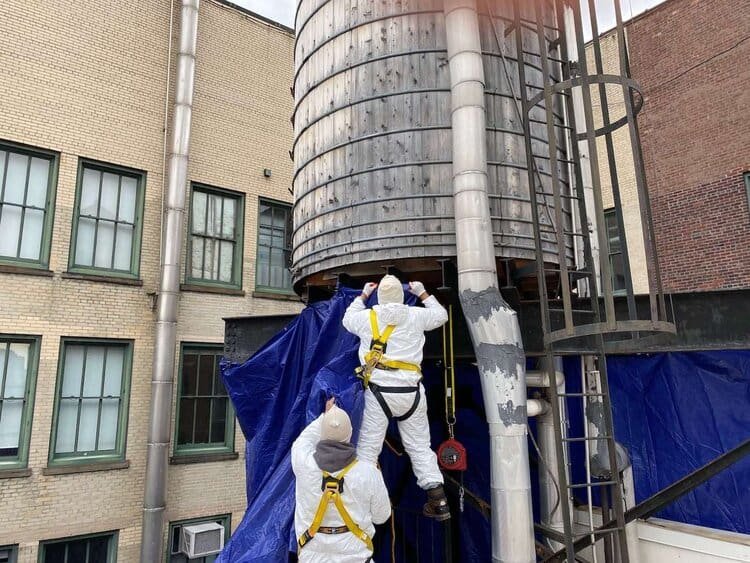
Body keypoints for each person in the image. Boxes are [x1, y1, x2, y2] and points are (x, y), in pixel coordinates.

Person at [342, 275, 450, 521]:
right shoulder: (415, 315)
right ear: (402, 297)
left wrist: (362, 296)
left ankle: (361, 504)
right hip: (411, 394)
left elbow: (347, 319)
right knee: (420, 447)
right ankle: (438, 499)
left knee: (368, 452)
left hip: (378, 393)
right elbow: (441, 315)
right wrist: (423, 292)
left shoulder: (367, 318)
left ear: (380, 297)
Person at [292, 398, 391, 563]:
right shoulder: (368, 473)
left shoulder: (303, 463)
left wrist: (326, 416)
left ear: (322, 435)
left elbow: (304, 440)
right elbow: (382, 516)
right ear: (351, 434)